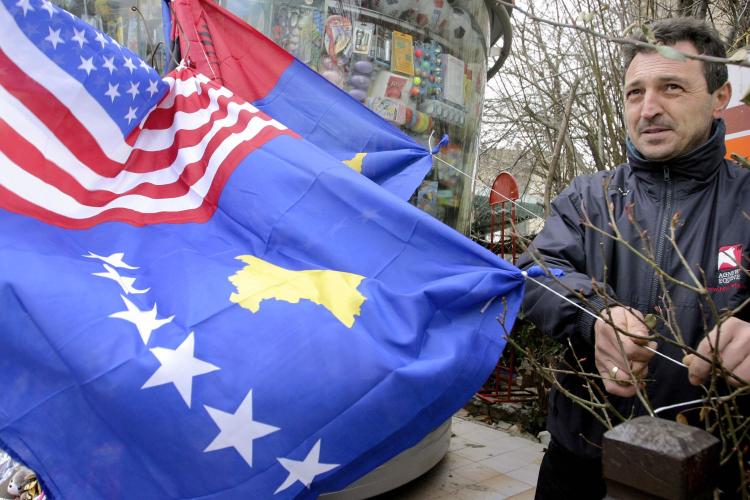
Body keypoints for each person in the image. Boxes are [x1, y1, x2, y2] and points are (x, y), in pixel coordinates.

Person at [518, 17, 750, 499]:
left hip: (714, 472)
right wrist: (595, 316)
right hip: (581, 460)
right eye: (634, 92)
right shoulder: (589, 197)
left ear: (719, 97)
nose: (649, 109)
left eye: (671, 87)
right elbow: (535, 273)